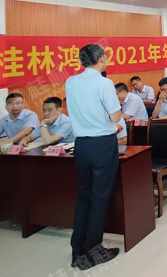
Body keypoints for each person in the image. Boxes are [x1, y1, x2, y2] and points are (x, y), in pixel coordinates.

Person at [64, 44, 122, 270]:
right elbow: (115, 116)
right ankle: (93, 250)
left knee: (84, 196)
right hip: (101, 144)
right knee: (100, 197)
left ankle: (77, 249)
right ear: (101, 59)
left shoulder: (71, 82)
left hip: (81, 145)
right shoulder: (104, 83)